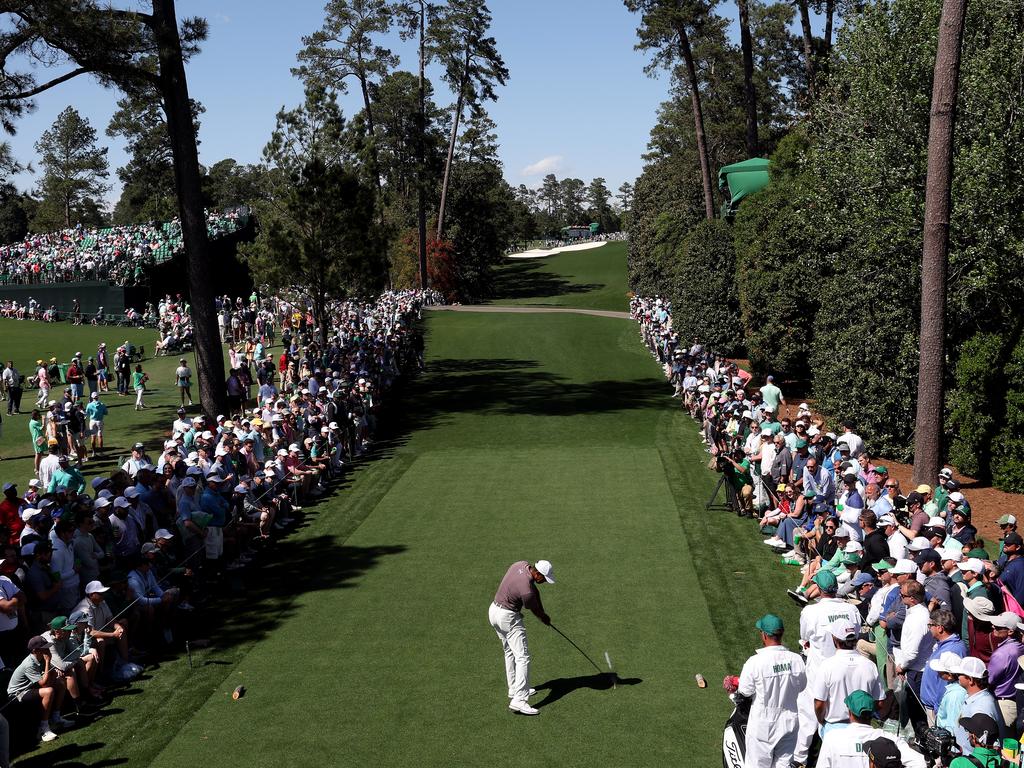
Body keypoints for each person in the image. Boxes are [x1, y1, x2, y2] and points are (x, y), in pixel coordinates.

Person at [736, 614, 806, 768]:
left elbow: (745, 692)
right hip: (789, 724)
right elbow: (802, 687)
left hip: (763, 726)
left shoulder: (755, 662)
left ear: (764, 635)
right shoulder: (797, 660)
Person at [488, 559, 555, 716]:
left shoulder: (520, 564)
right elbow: (533, 607)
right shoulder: (527, 591)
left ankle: (514, 689)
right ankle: (520, 700)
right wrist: (544, 618)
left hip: (493, 612)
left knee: (509, 652)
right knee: (523, 658)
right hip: (508, 618)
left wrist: (543, 612)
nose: (544, 582)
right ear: (537, 573)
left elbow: (535, 592)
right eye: (544, 578)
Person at [815, 690, 925, 767]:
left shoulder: (832, 738)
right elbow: (919, 763)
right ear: (873, 713)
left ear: (849, 712)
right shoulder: (888, 738)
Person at [7, 635, 69, 743]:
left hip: (30, 687)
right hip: (17, 694)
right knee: (48, 691)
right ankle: (43, 728)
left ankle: (56, 718)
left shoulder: (40, 658)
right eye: (45, 647)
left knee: (60, 683)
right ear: (36, 650)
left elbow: (50, 675)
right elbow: (44, 685)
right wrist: (47, 662)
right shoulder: (29, 664)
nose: (48, 649)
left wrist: (52, 668)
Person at [952, 656, 1002, 755]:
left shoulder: (981, 708)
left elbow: (989, 746)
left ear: (970, 679)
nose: (957, 677)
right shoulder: (975, 698)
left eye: (959, 674)